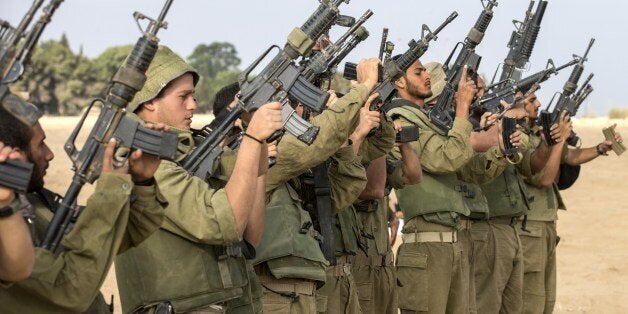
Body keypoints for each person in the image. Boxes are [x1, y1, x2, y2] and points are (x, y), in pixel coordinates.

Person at [115, 45, 284, 313]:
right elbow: (224, 223)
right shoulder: (141, 161)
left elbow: (249, 237)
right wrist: (251, 139)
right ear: (149, 101)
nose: (193, 105)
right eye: (184, 96)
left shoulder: (190, 151)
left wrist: (258, 144)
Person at [0, 104, 168, 313]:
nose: (50, 154)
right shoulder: (7, 224)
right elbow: (69, 290)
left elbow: (113, 239)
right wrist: (110, 192)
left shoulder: (35, 203)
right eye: (41, 145)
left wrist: (141, 182)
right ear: (16, 155)